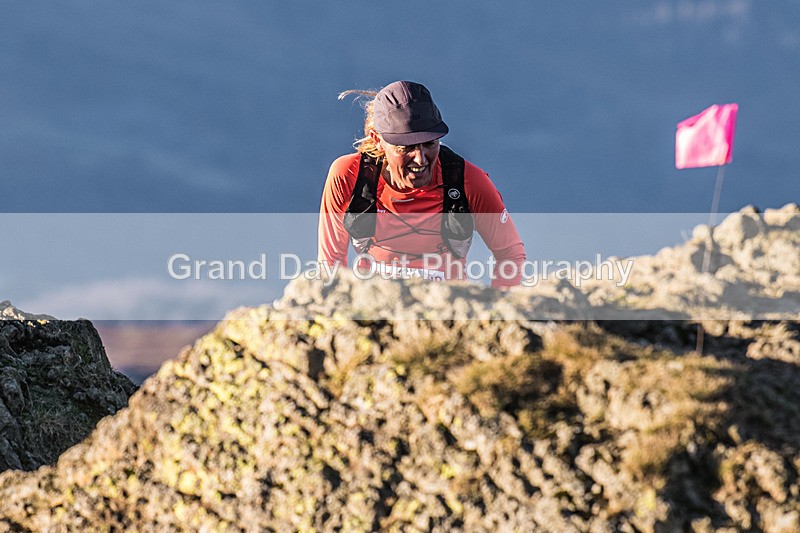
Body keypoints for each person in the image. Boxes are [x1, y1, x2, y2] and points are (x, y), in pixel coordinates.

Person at [318, 80, 525, 288]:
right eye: (405, 147)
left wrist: (496, 314)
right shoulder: (349, 176)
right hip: (375, 310)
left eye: (429, 143)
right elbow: (330, 261)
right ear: (377, 139)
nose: (420, 159)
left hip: (445, 313)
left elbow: (510, 255)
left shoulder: (467, 181)